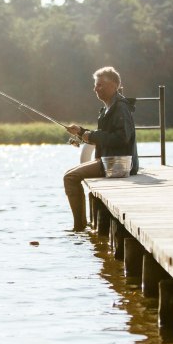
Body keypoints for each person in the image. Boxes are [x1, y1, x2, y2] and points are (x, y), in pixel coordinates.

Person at [63, 66, 139, 231]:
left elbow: (121, 138)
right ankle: (81, 225)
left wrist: (91, 136)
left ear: (113, 86)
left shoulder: (121, 108)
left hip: (120, 163)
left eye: (100, 85)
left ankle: (79, 228)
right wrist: (81, 132)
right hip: (110, 161)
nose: (95, 89)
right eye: (95, 85)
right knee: (70, 174)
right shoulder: (107, 108)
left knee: (70, 178)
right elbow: (104, 135)